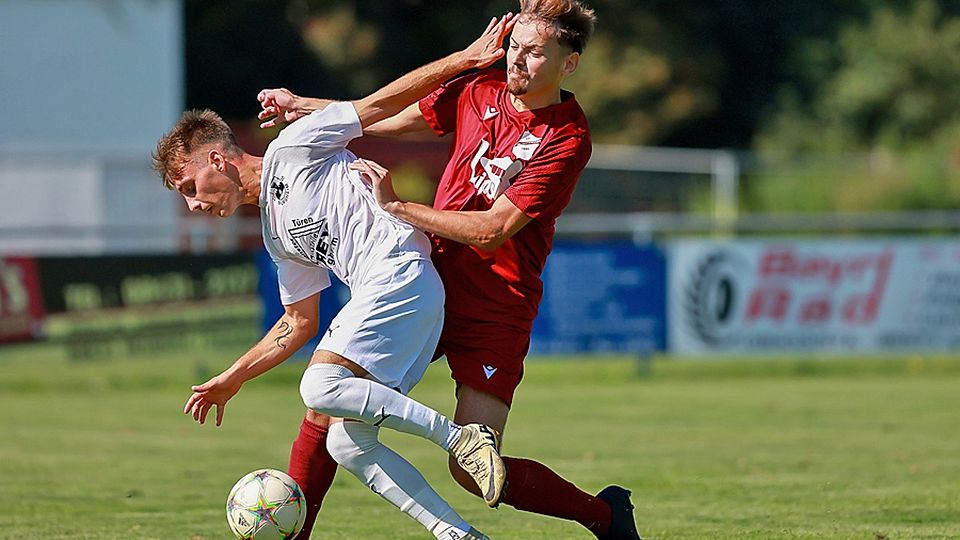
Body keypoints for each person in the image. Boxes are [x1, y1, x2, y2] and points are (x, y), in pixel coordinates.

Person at [258, 1, 643, 539]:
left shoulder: (567, 138)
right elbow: (391, 117)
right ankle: (295, 534)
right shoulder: (480, 86)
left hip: (496, 306)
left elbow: (493, 229)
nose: (518, 61)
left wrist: (401, 208)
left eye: (535, 53)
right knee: (331, 402)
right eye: (514, 47)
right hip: (428, 282)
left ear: (569, 64)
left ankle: (604, 517)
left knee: (472, 470)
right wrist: (307, 109)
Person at [152, 15, 518, 540]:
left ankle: (458, 437)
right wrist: (234, 376)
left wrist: (465, 57)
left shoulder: (293, 147)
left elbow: (379, 105)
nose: (192, 203)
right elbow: (297, 323)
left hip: (400, 273)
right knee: (346, 443)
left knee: (320, 385)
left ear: (217, 158)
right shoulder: (275, 230)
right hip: (396, 300)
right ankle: (460, 536)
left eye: (190, 186)